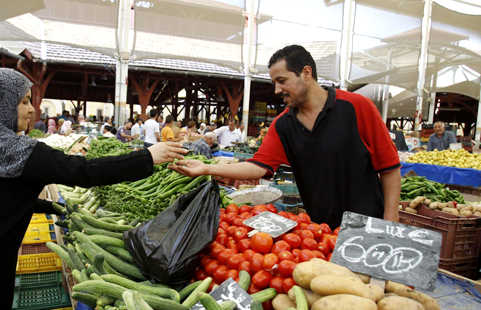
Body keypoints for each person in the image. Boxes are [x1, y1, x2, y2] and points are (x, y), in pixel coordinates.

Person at [0, 68, 187, 310]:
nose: (32, 109)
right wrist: (147, 157)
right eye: (24, 101)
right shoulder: (21, 153)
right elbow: (84, 171)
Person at [171, 45, 401, 229]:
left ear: (306, 73)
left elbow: (389, 166)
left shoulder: (356, 106)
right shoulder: (283, 125)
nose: (276, 90)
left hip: (371, 225)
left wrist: (390, 220)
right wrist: (206, 168)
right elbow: (257, 166)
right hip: (323, 229)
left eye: (282, 81)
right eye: (274, 83)